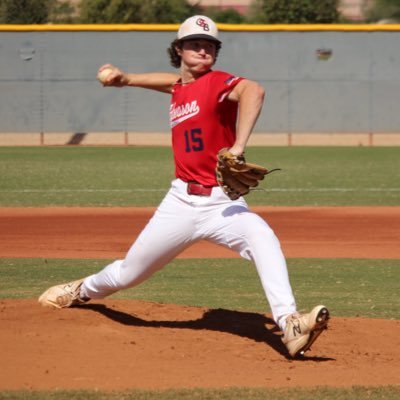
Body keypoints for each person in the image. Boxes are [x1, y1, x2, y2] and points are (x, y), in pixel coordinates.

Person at [38, 15, 329, 358]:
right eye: (195, 43)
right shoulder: (180, 87)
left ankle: (289, 323)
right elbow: (173, 83)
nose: (204, 49)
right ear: (179, 49)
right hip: (180, 203)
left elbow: (254, 90)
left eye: (210, 45)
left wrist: (238, 146)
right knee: (129, 273)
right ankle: (82, 289)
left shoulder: (219, 82)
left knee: (262, 237)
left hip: (222, 204)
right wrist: (127, 79)